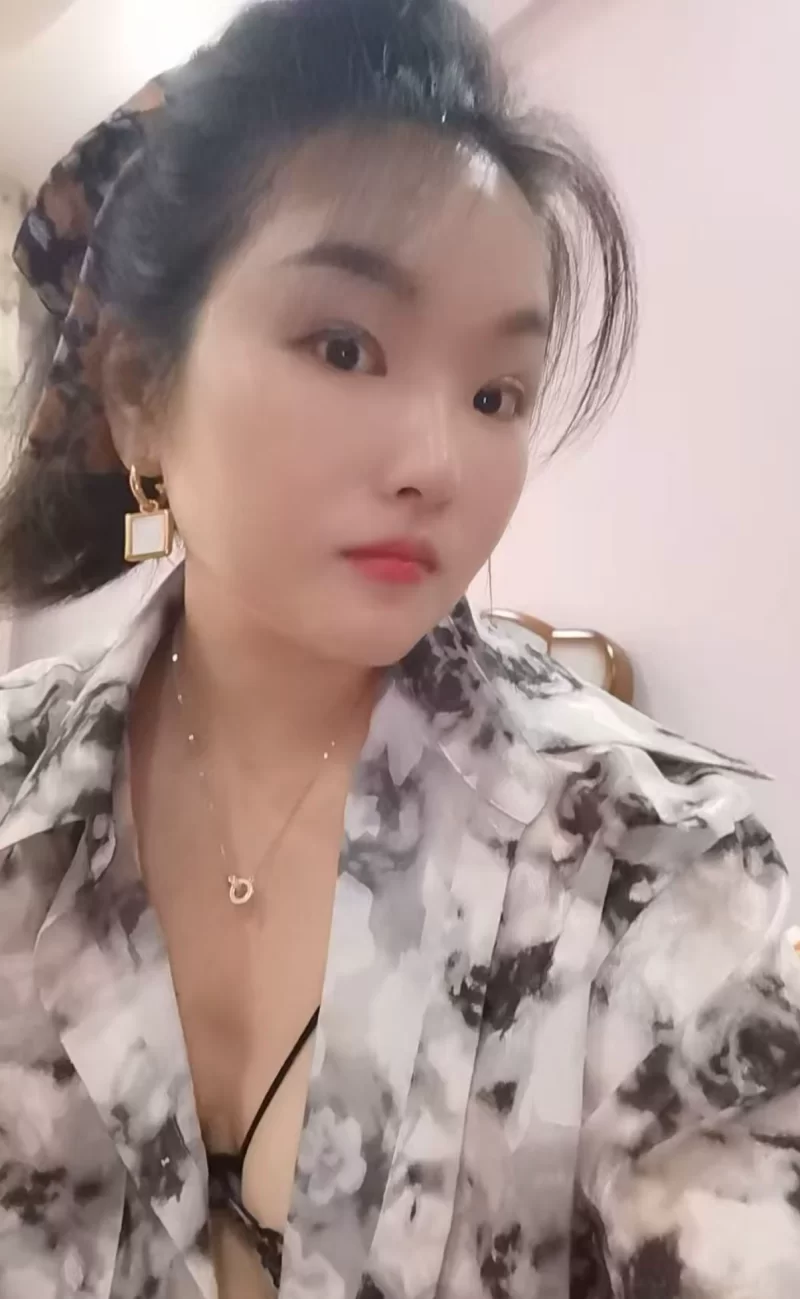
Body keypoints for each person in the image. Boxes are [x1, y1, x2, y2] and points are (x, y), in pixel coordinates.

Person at [0, 0, 797, 1296]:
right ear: (140, 389)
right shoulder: (16, 796)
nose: (439, 463)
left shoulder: (646, 869)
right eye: (345, 346)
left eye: (495, 394)